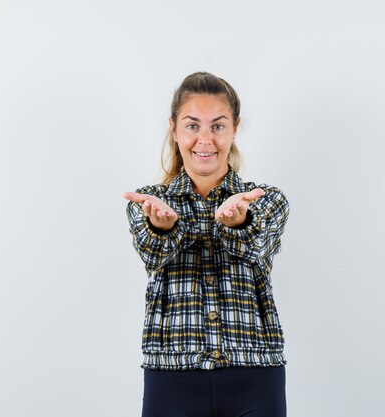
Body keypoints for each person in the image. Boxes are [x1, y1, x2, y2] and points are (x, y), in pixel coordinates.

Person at [122, 71, 290, 417]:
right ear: (174, 128)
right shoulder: (149, 202)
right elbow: (151, 255)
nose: (205, 139)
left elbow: (255, 248)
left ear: (235, 127)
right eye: (192, 125)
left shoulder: (266, 200)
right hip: (171, 375)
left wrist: (239, 221)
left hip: (255, 372)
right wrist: (162, 227)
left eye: (218, 126)